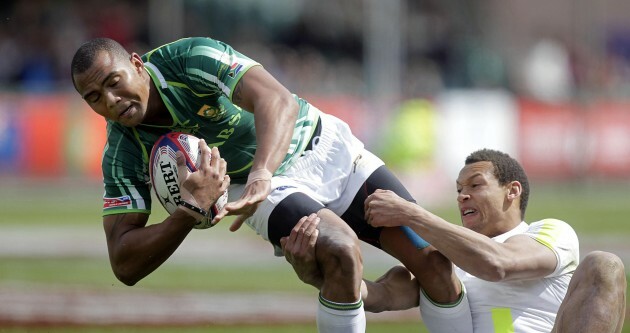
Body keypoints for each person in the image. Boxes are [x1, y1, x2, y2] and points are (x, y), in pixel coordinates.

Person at [70, 37, 467, 332]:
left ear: (137, 64)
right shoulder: (122, 151)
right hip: (261, 192)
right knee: (341, 253)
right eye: (94, 97)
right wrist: (190, 212)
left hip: (321, 144)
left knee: (434, 263)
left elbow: (278, 100)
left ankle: (377, 296)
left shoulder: (189, 58)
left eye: (113, 81)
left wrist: (262, 169)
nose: (111, 100)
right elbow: (124, 263)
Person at [283, 148, 627, 332]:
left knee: (604, 265)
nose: (462, 197)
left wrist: (411, 213)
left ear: (512, 192)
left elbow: (498, 264)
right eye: (459, 190)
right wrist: (322, 275)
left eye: (475, 186)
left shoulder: (549, 232)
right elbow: (383, 296)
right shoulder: (442, 257)